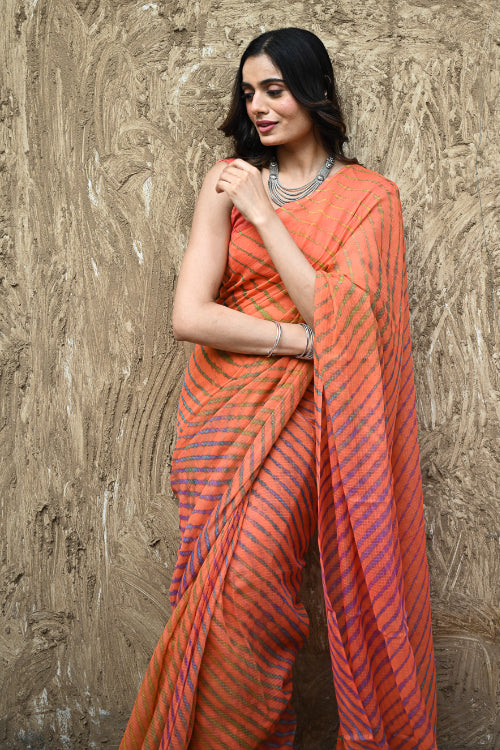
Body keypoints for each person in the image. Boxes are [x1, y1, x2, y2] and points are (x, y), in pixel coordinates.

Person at [120, 27, 438, 750]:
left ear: (314, 91)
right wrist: (303, 343)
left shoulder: (369, 199)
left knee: (248, 587)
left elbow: (339, 314)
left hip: (305, 415)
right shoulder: (224, 180)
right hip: (218, 416)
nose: (258, 106)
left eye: (275, 89)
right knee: (214, 596)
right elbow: (190, 315)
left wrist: (264, 214)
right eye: (249, 93)